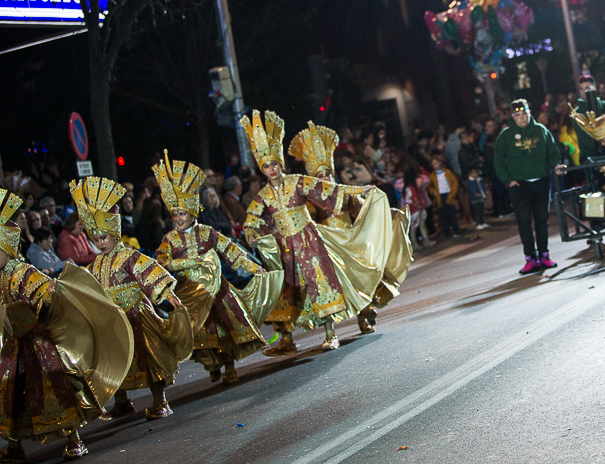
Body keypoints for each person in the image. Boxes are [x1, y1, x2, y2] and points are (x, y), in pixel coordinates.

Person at [243, 111, 404, 354]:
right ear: (261, 169)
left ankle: (331, 334)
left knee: (321, 286)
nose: (271, 169)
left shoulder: (297, 181)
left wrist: (357, 191)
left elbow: (329, 191)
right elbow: (253, 217)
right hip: (286, 249)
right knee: (284, 291)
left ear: (281, 164)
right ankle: (286, 340)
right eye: (266, 166)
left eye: (274, 164)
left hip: (309, 243)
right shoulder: (263, 196)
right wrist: (250, 231)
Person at [0, 190, 131, 461]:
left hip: (38, 345)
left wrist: (34, 310)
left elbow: (49, 295)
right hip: (13, 348)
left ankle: (74, 439)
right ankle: (14, 446)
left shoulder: (23, 272)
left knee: (56, 389)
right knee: (11, 396)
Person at [153, 151, 279, 386]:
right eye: (175, 214)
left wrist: (253, 267)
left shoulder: (207, 232)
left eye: (182, 213)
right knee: (201, 334)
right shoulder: (168, 240)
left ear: (192, 213)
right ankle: (212, 364)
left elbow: (230, 250)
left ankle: (230, 367)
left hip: (218, 289)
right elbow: (161, 263)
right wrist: (186, 263)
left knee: (225, 328)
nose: (178, 218)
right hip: (190, 293)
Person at [71, 176, 192, 420]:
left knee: (149, 357)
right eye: (96, 240)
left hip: (137, 315)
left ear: (115, 234)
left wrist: (170, 296)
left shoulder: (128, 256)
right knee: (114, 361)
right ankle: (122, 401)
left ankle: (160, 400)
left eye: (103, 237)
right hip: (112, 321)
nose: (100, 243)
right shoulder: (95, 265)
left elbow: (151, 274)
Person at [493, 99, 562, 274]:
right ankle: (530, 258)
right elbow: (498, 160)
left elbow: (552, 151)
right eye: (518, 115)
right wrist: (508, 180)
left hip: (541, 181)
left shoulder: (541, 130)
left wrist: (555, 166)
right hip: (519, 185)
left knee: (542, 220)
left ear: (529, 113)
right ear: (513, 116)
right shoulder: (506, 136)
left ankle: (544, 256)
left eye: (525, 114)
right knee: (524, 222)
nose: (522, 118)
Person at [573, 74, 605, 162]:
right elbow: (583, 137)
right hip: (589, 158)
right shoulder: (577, 113)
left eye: (587, 88)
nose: (584, 92)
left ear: (594, 88)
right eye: (581, 89)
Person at [428, 155, 460, 238]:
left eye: (436, 163)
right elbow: (429, 186)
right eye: (433, 164)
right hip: (440, 196)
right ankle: (446, 232)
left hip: (448, 194)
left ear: (440, 163)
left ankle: (456, 231)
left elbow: (454, 182)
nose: (435, 165)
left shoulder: (447, 172)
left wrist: (452, 193)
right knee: (443, 215)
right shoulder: (432, 175)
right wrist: (433, 192)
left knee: (452, 214)